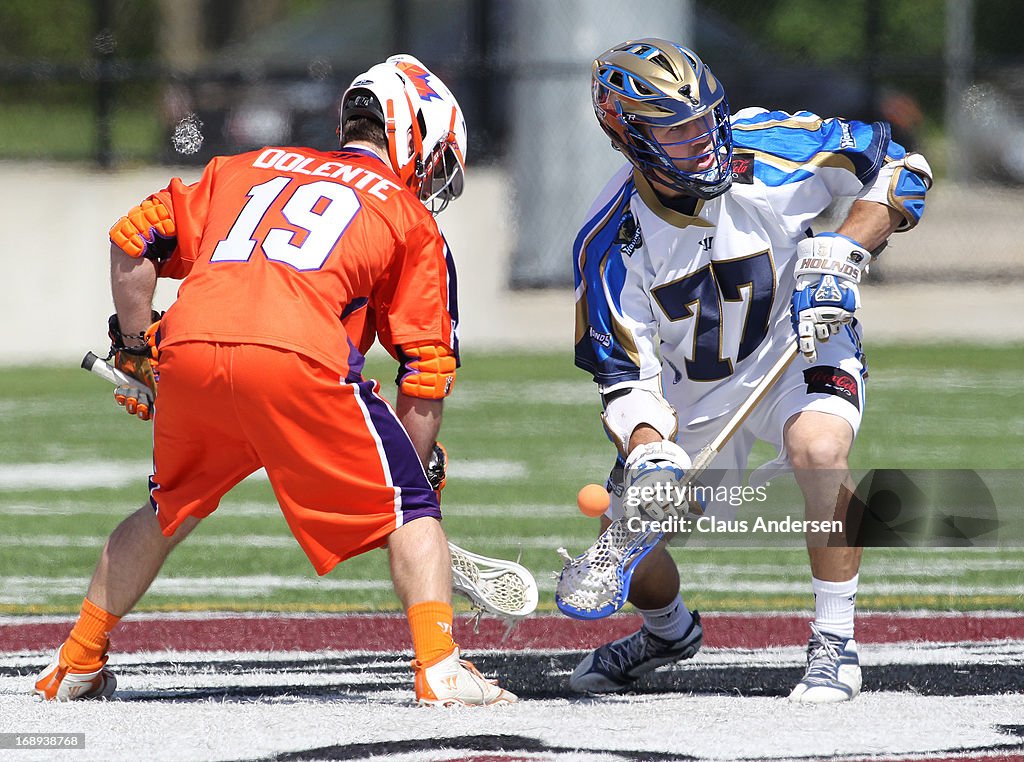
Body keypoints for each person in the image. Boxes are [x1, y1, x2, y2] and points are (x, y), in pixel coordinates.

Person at [33, 54, 515, 707]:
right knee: (411, 508)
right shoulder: (408, 216)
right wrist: (418, 462)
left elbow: (132, 241)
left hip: (194, 348)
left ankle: (78, 659)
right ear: (413, 131)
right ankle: (439, 665)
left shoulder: (245, 166)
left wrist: (137, 351)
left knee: (166, 507)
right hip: (300, 359)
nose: (434, 180)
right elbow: (425, 370)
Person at [569, 39, 931, 702]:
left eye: (706, 119)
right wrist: (650, 452)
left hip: (803, 335)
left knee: (817, 449)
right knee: (629, 541)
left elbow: (902, 166)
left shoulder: (766, 147)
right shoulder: (611, 239)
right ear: (628, 137)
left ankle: (835, 645)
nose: (703, 141)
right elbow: (624, 375)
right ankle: (667, 633)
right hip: (696, 389)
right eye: (677, 131)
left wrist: (844, 248)